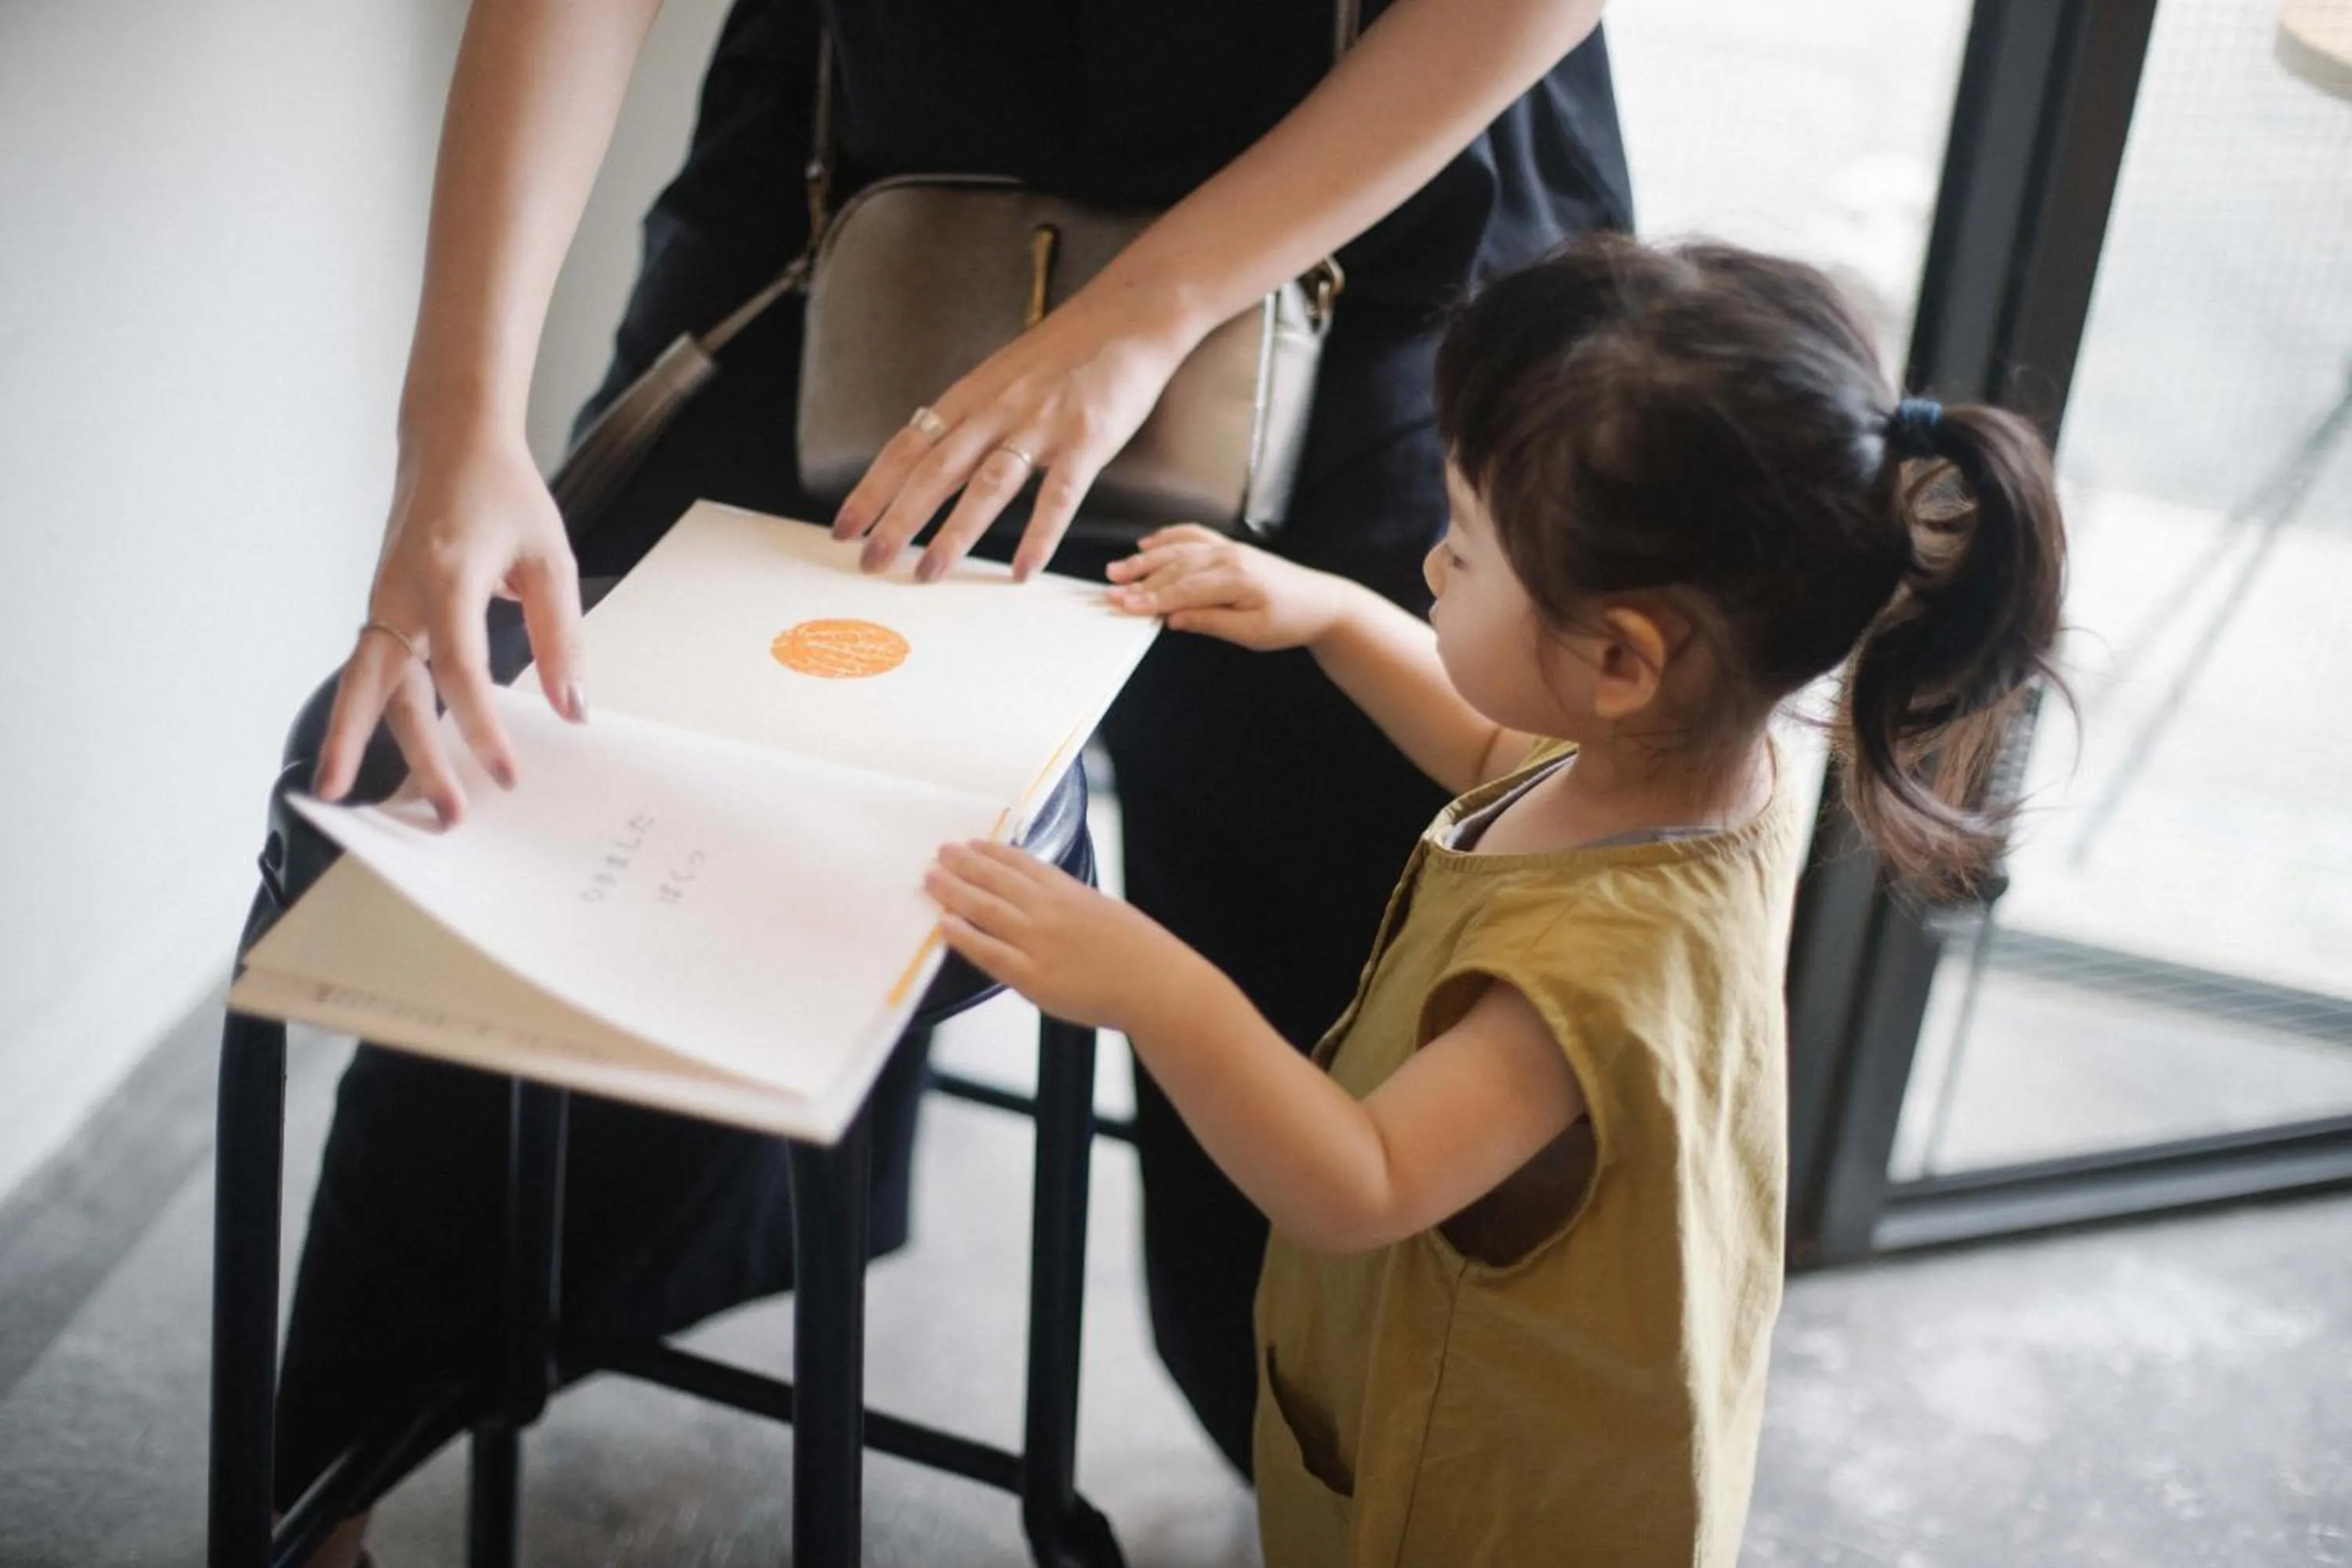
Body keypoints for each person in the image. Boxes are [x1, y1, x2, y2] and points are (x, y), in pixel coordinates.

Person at [282, 2, 1632, 1560]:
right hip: (866, 172)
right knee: (551, 798)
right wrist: (455, 422)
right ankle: (320, 1497)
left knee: (1395, 936)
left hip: (1376, 178)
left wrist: (1147, 309)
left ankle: (1390, 1503)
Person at [924, 233, 2071, 1566]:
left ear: (1623, 659)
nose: (1429, 566)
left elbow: (1361, 1181)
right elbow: (1495, 757)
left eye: (1462, 549)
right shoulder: (1709, 764)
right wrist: (1338, 620)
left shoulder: (1585, 975)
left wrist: (1154, 986)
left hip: (1483, 1499)